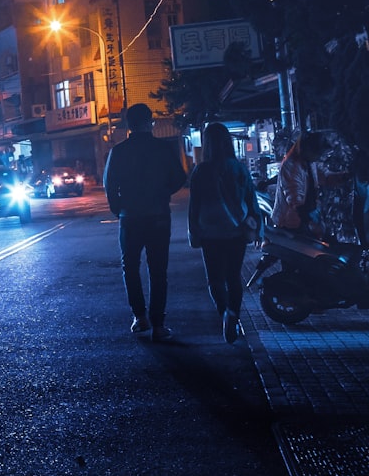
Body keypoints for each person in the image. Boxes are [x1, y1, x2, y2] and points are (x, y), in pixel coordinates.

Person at [104, 103, 187, 340]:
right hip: (159, 215)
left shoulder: (119, 152)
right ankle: (159, 325)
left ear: (129, 125)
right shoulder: (162, 148)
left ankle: (139, 317)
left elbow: (110, 185)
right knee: (158, 269)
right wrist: (163, 194)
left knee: (130, 266)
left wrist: (118, 209)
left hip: (130, 216)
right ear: (150, 122)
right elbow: (179, 177)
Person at [187, 123, 263, 344]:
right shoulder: (238, 168)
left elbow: (194, 206)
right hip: (237, 231)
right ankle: (234, 314)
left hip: (210, 232)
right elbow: (251, 199)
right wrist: (257, 227)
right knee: (233, 277)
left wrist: (194, 231)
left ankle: (225, 314)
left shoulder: (201, 171)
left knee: (215, 279)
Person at [271, 132, 346, 237]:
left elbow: (325, 176)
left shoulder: (309, 162)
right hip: (290, 224)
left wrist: (345, 177)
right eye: (318, 153)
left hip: (305, 218)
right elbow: (295, 198)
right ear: (308, 149)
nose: (319, 157)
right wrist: (309, 220)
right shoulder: (292, 167)